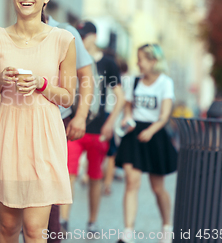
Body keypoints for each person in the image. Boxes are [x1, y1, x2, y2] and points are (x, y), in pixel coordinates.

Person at [0, 0, 76, 243]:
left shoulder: (63, 39)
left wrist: (42, 85)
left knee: (34, 231)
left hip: (44, 137)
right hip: (8, 135)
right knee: (7, 231)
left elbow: (68, 96)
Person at [60, 21, 125, 234]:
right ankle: (63, 221)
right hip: (75, 127)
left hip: (98, 128)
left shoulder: (108, 63)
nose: (80, 39)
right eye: (78, 35)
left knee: (95, 176)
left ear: (94, 37)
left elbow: (120, 97)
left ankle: (92, 221)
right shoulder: (72, 59)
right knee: (68, 172)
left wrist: (110, 124)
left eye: (84, 36)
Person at [115, 44, 177, 243]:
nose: (137, 63)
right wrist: (127, 119)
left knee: (157, 187)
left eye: (141, 59)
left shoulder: (165, 83)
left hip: (155, 135)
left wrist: (150, 131)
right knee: (131, 183)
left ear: (153, 61)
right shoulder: (133, 82)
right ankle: (128, 232)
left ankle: (167, 226)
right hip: (134, 135)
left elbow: (165, 115)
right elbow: (128, 108)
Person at [45, 14, 94, 241]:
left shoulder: (66, 33)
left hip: (58, 119)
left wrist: (81, 116)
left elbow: (86, 75)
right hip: (21, 119)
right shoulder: (14, 33)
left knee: (50, 184)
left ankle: (51, 236)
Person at [103, 57, 129, 195]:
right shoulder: (125, 80)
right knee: (110, 153)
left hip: (109, 116)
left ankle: (101, 180)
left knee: (107, 151)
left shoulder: (111, 79)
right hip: (116, 118)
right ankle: (107, 183)